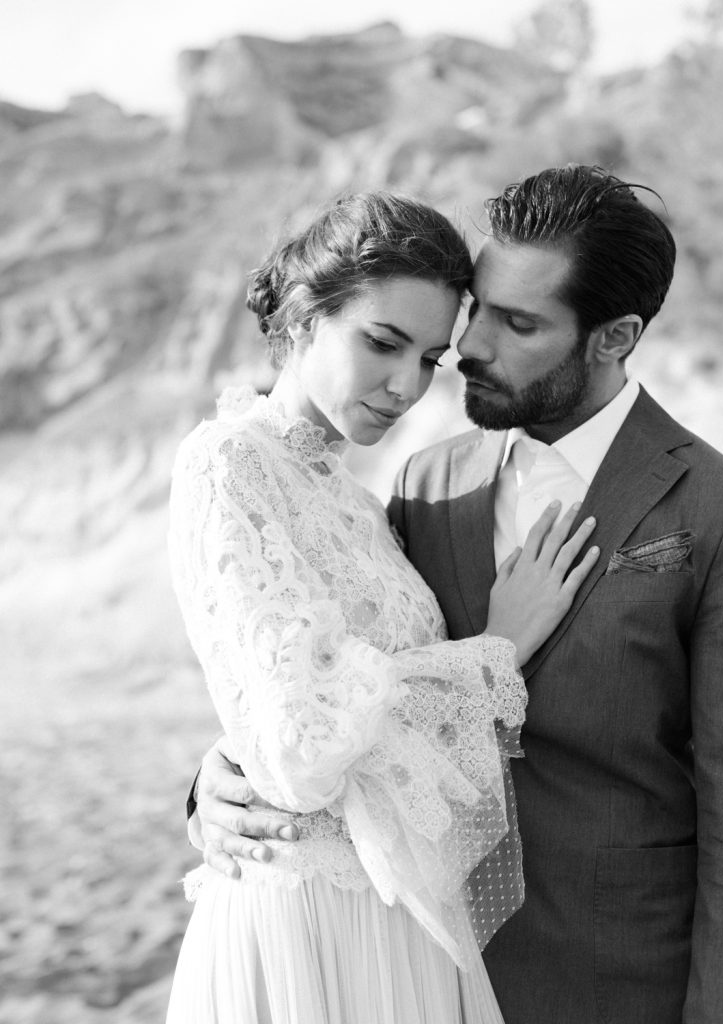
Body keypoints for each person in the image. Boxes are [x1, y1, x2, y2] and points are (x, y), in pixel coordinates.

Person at [194, 166, 723, 1024]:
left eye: (519, 323)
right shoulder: (425, 485)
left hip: (614, 982)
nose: (470, 348)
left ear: (614, 337)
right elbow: (339, 679)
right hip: (411, 965)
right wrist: (221, 779)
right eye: (477, 312)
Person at [166, 191, 599, 1024]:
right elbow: (299, 747)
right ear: (303, 318)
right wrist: (497, 646)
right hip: (304, 920)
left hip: (401, 915)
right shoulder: (226, 462)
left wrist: (231, 751)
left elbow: (321, 708)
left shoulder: (366, 506)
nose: (406, 386)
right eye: (382, 342)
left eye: (430, 358)